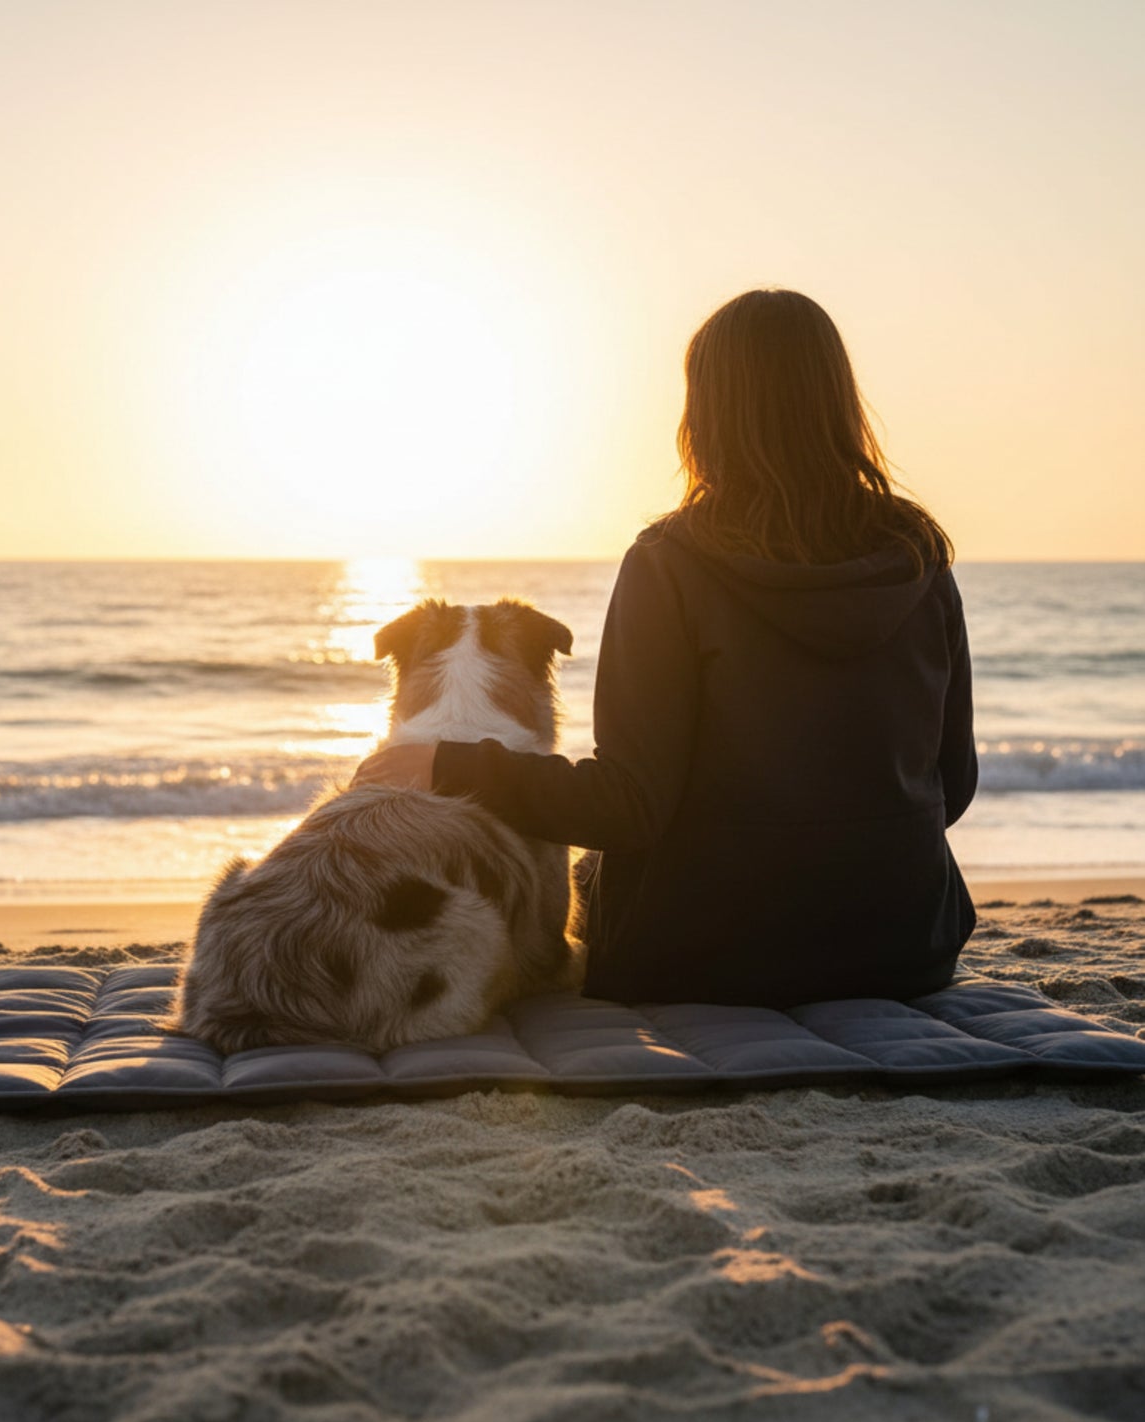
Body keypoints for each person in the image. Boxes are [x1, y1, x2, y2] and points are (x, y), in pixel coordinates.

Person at [353, 288, 977, 1007]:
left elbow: (628, 809)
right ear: (840, 403)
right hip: (907, 947)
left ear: (705, 413)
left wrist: (446, 763)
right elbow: (952, 786)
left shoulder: (671, 563)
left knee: (591, 882)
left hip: (702, 957)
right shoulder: (920, 559)